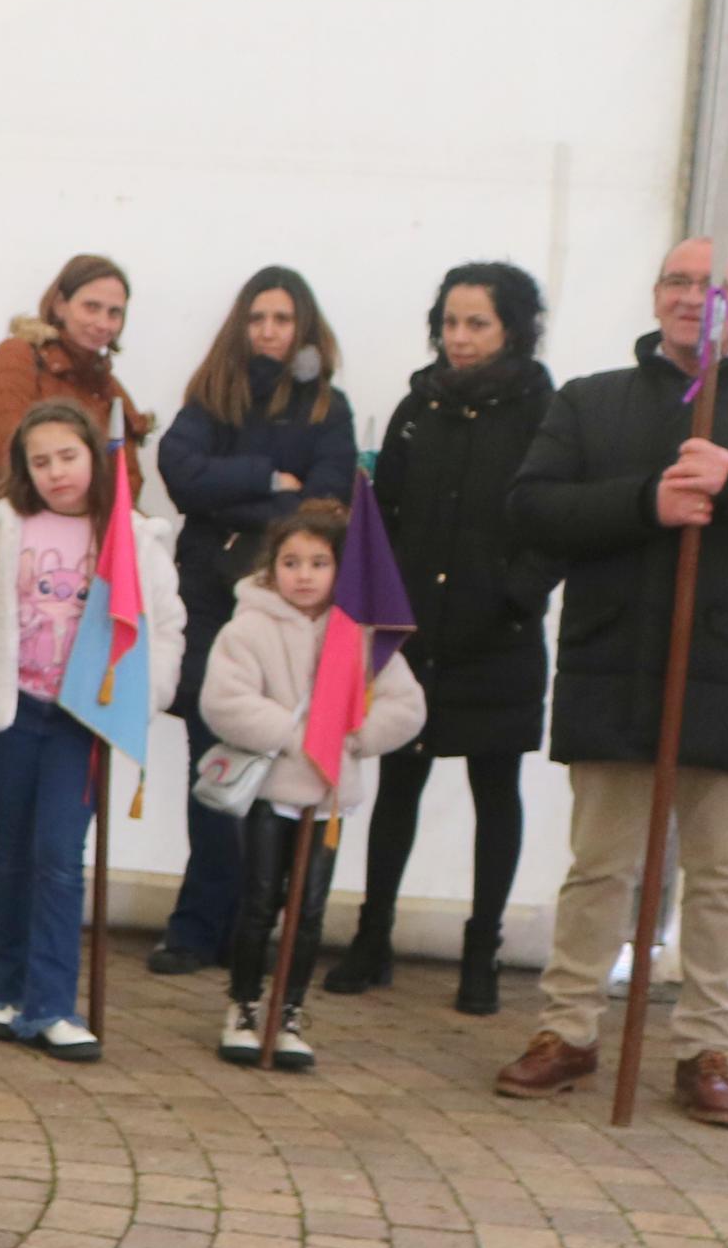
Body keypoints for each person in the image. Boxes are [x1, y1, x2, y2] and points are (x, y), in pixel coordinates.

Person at [495, 241, 728, 1126]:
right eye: (676, 280)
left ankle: (705, 1045)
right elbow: (531, 506)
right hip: (615, 666)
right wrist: (645, 502)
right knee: (599, 870)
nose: (691, 297)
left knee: (719, 877)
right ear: (655, 294)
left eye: (713, 286)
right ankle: (568, 1030)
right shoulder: (590, 402)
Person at [0, 255, 146, 971]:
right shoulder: (19, 355)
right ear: (60, 302)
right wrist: (64, 455)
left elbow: (126, 468)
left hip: (66, 595)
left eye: (115, 313)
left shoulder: (109, 385)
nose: (101, 322)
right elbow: (9, 433)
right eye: (92, 306)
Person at [0, 400, 180, 1062]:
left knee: (58, 858)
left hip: (81, 720)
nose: (55, 471)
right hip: (13, 715)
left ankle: (50, 1003)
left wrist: (141, 696)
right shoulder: (2, 530)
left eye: (67, 455)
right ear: (23, 469)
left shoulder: (128, 536)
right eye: (39, 461)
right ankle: (6, 993)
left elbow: (165, 623)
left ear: (94, 456)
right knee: (11, 853)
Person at [332, 264, 556, 1014]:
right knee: (398, 782)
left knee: (496, 789)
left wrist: (515, 595)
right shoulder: (414, 405)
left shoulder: (543, 410)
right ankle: (371, 938)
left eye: (476, 324)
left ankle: (480, 950)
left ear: (512, 330)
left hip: (498, 637)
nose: (458, 339)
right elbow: (385, 511)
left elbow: (554, 519)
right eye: (449, 323)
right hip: (412, 636)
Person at [151, 268, 355, 975]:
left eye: (281, 317)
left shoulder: (329, 406)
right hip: (210, 600)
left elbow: (325, 507)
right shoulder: (212, 396)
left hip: (292, 613)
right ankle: (196, 924)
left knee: (285, 771)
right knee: (215, 760)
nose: (268, 330)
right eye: (257, 317)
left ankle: (259, 928)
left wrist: (229, 494)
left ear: (303, 326)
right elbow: (179, 473)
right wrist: (269, 480)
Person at [195, 502, 426, 1068]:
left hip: (327, 799)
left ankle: (289, 1009)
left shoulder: (360, 635)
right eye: (291, 562)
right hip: (273, 791)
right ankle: (244, 1006)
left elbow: (407, 706)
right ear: (271, 567)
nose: (303, 575)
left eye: (318, 563)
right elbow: (224, 701)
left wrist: (352, 738)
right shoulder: (247, 628)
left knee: (310, 911)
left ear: (340, 569)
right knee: (258, 903)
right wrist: (300, 735)